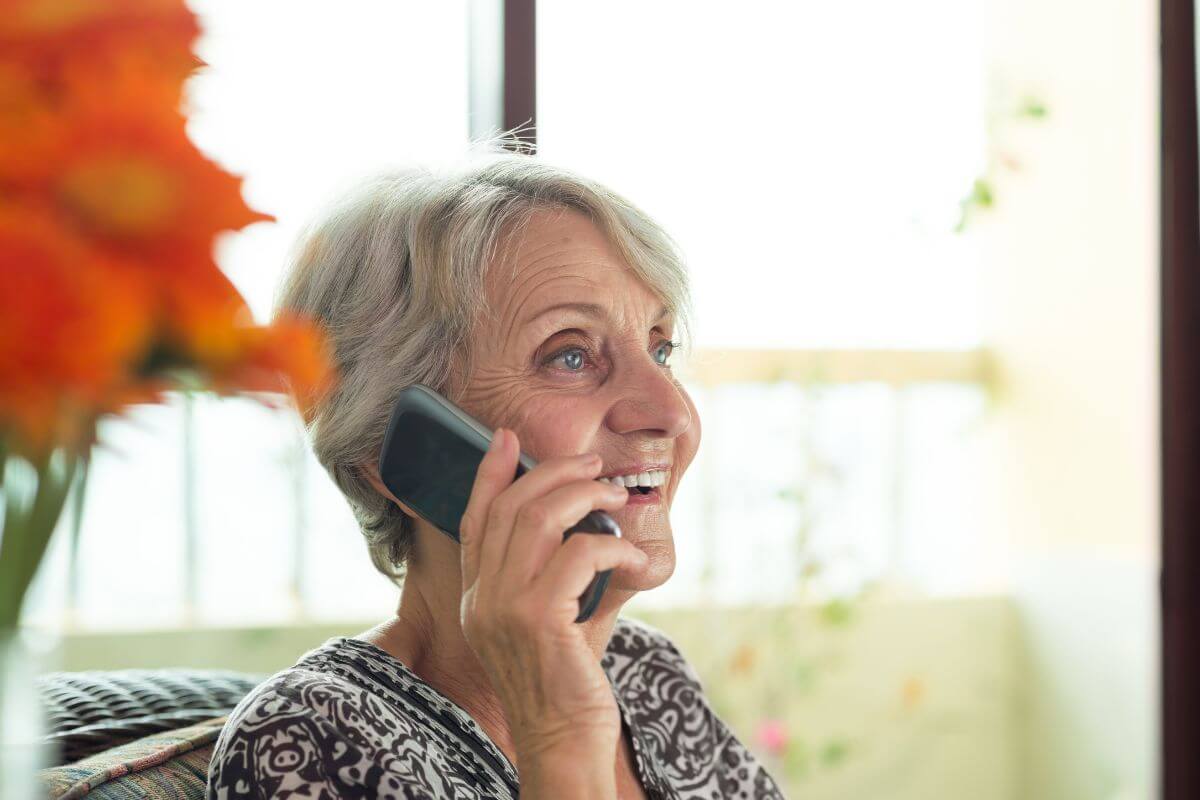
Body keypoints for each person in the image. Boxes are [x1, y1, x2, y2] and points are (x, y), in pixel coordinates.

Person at [206, 150, 786, 799]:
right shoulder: (309, 740)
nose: (671, 412)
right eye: (570, 355)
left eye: (660, 349)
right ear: (401, 451)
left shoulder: (642, 671)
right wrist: (560, 731)